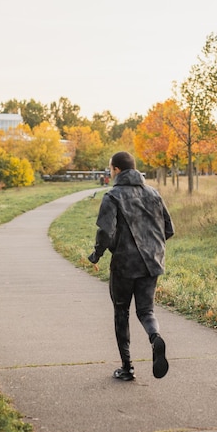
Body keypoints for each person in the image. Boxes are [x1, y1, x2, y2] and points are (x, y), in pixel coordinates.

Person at [88, 151, 174, 381]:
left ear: (116, 170)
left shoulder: (113, 196)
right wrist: (151, 247)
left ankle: (127, 368)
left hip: (125, 265)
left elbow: (105, 232)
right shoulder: (153, 193)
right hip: (151, 263)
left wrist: (96, 255)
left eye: (110, 168)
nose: (109, 171)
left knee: (121, 312)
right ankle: (155, 337)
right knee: (146, 311)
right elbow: (169, 229)